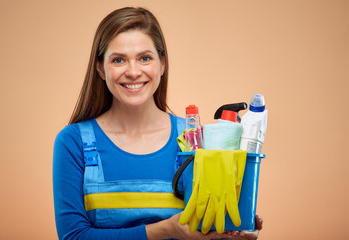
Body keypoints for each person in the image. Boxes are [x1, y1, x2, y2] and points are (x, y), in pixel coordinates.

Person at [53, 7, 263, 240]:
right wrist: (165, 229)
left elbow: (206, 225)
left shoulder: (195, 138)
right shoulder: (74, 141)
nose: (133, 72)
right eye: (119, 60)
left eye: (145, 58)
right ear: (100, 68)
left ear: (162, 64)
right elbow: (73, 237)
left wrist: (225, 230)